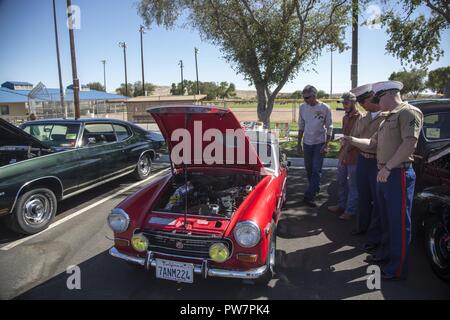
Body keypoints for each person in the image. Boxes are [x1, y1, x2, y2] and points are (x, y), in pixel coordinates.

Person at [343, 80, 424, 280]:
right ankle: (386, 254)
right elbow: (372, 143)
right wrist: (351, 140)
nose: (377, 103)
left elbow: (409, 144)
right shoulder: (388, 117)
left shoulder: (408, 112)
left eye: (379, 98)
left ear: (389, 94)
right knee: (386, 219)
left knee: (399, 223)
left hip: (397, 174)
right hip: (385, 174)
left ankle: (397, 268)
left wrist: (388, 167)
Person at [348, 84, 387, 255]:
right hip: (363, 160)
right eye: (362, 102)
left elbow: (374, 143)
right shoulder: (362, 118)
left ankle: (374, 238)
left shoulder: (387, 117)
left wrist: (356, 140)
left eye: (366, 101)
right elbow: (355, 139)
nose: (363, 104)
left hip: (378, 163)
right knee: (364, 197)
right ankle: (361, 227)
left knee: (378, 201)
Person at [297, 85, 333, 207]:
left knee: (316, 170)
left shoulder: (325, 108)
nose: (305, 100)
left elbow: (329, 127)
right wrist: (298, 144)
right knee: (309, 169)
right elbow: (301, 126)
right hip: (307, 143)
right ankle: (315, 188)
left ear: (314, 95)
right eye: (304, 98)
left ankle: (309, 195)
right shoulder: (302, 107)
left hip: (320, 143)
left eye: (307, 97)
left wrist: (326, 145)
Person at [328, 92, 361, 220]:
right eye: (343, 103)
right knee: (341, 182)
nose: (344, 105)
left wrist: (347, 150)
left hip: (354, 156)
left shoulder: (360, 117)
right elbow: (345, 136)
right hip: (343, 154)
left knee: (353, 185)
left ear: (354, 103)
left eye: (346, 103)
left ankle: (350, 210)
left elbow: (358, 139)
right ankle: (342, 205)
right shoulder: (345, 117)